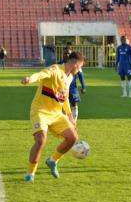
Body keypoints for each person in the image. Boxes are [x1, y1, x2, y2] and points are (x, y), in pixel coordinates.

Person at [21, 51, 85, 182]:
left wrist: (70, 117)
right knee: (41, 140)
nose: (80, 70)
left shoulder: (70, 77)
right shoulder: (55, 69)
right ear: (75, 64)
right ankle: (30, 174)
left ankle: (52, 160)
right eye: (80, 67)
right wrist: (30, 79)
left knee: (73, 137)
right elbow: (41, 74)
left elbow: (64, 98)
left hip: (56, 114)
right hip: (40, 111)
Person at [58, 50, 86, 122]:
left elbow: (80, 75)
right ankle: (64, 121)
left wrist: (83, 86)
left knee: (74, 103)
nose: (66, 55)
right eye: (65, 53)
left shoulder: (76, 65)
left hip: (73, 88)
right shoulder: (59, 64)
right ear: (63, 54)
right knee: (61, 104)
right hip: (62, 89)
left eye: (68, 53)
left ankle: (74, 120)